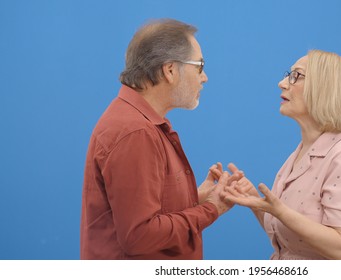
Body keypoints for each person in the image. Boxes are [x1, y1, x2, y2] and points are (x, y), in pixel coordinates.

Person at [80, 19, 240, 260]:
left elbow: (142, 214)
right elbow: (139, 235)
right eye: (200, 66)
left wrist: (196, 199)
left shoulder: (137, 123)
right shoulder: (135, 132)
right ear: (170, 70)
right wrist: (211, 209)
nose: (204, 77)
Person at [223, 50, 341, 260]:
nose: (282, 83)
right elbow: (292, 238)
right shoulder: (302, 153)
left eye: (296, 76)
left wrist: (279, 211)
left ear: (326, 89)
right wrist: (254, 199)